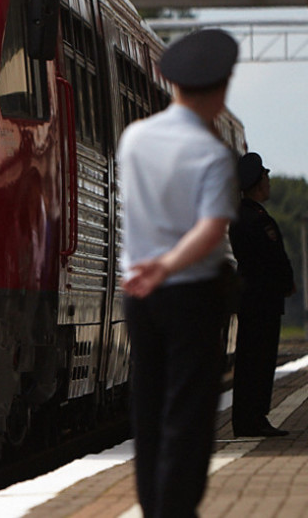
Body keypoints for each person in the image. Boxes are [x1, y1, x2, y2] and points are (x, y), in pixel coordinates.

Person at [117, 29, 240, 518]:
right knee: (187, 410)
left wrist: (150, 267)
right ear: (221, 88)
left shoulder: (134, 139)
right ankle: (176, 509)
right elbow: (212, 229)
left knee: (147, 405)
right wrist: (168, 264)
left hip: (138, 295)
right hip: (190, 294)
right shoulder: (212, 154)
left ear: (172, 85)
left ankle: (152, 506)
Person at [229, 151, 295, 437]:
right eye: (266, 176)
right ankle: (254, 418)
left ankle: (248, 418)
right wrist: (286, 283)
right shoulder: (257, 219)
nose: (269, 181)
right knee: (259, 362)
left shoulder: (241, 216)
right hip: (264, 300)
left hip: (251, 299)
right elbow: (274, 259)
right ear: (258, 182)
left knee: (249, 361)